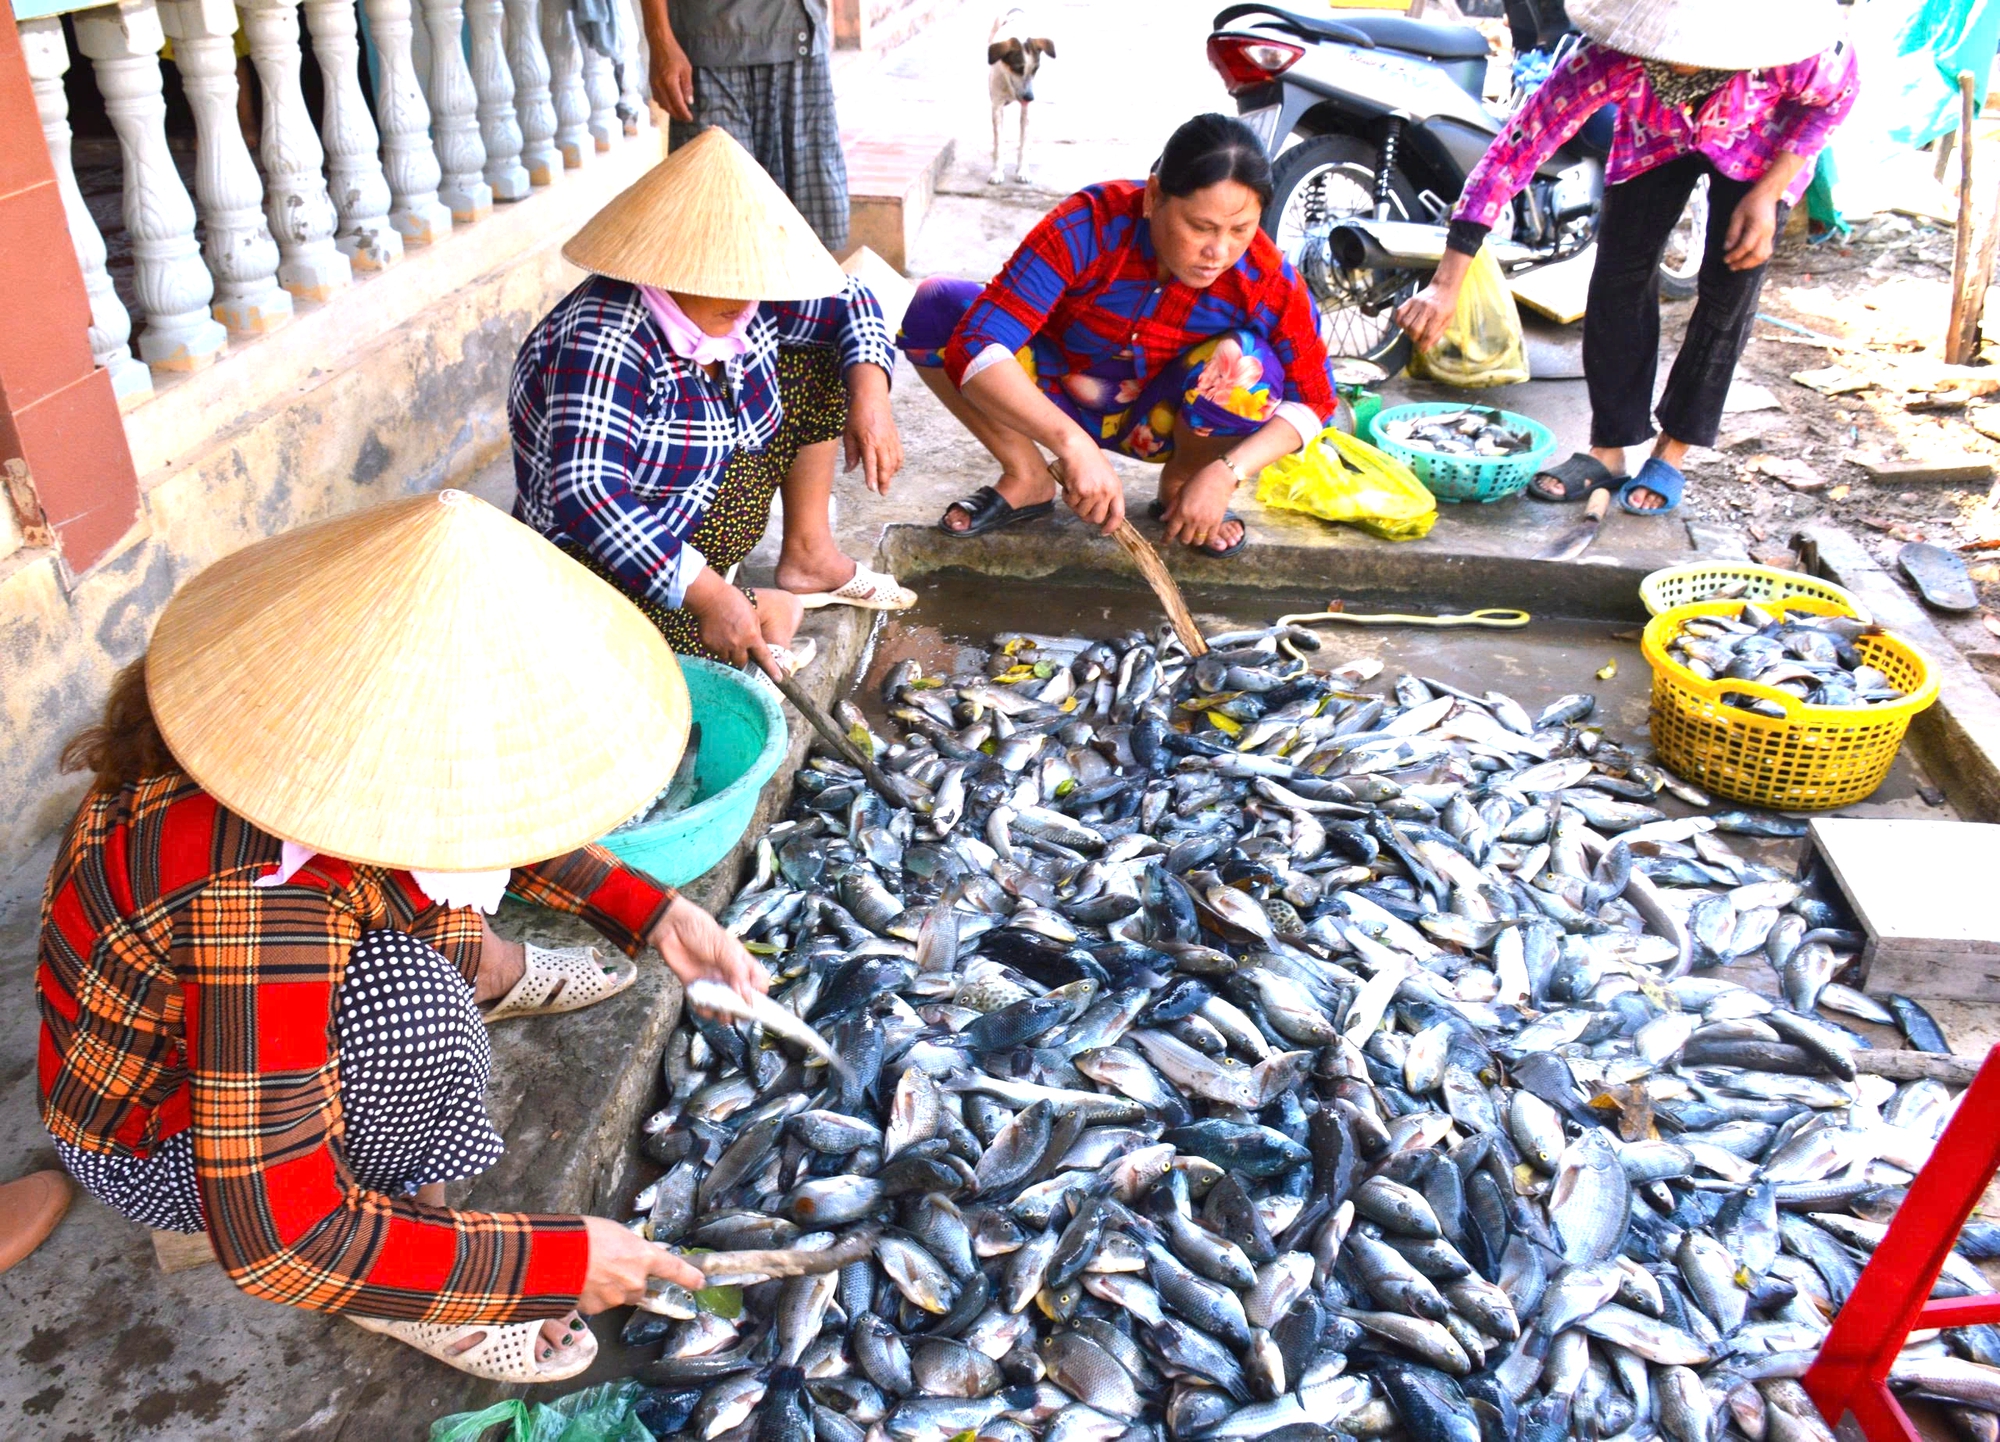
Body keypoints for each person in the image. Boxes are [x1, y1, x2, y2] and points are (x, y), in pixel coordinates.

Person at [36, 490, 761, 1383]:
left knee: (441, 906)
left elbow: (488, 812)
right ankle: (401, 1272)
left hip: (202, 1019)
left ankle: (485, 984)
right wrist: (546, 1262)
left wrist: (655, 914)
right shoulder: (261, 903)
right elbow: (277, 1238)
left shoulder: (276, 736)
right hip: (151, 1143)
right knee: (415, 1012)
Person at [1395, 0, 1858, 516]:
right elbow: (1515, 150)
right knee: (1618, 278)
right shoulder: (1607, 56)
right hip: (1652, 139)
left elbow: (1835, 102)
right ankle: (1609, 449)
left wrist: (1769, 193)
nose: (1682, 59)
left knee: (1730, 288)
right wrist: (1447, 281)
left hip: (1761, 145)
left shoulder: (1794, 55)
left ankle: (1672, 449)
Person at [510, 127, 910, 680]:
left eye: (751, 281)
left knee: (831, 355)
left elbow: (853, 301)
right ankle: (748, 600)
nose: (745, 299)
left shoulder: (747, 298)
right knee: (633, 661)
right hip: (601, 553)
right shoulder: (604, 337)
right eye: (725, 281)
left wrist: (872, 397)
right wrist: (709, 596)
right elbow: (590, 493)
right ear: (670, 268)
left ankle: (808, 557)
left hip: (707, 496)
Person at [897, 114, 1339, 560]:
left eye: (1241, 230)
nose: (1218, 252)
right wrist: (1072, 445)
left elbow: (1316, 400)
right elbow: (977, 342)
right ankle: (1027, 473)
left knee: (1247, 363)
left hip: (1160, 422)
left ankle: (1184, 483)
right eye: (1200, 227)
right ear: (1153, 197)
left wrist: (1227, 472)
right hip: (1053, 395)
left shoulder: (1267, 279)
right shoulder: (1090, 223)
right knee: (938, 305)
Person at [636, 0, 849, 252]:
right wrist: (660, 40)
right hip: (709, 44)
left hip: (797, 35)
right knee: (717, 238)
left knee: (808, 246)